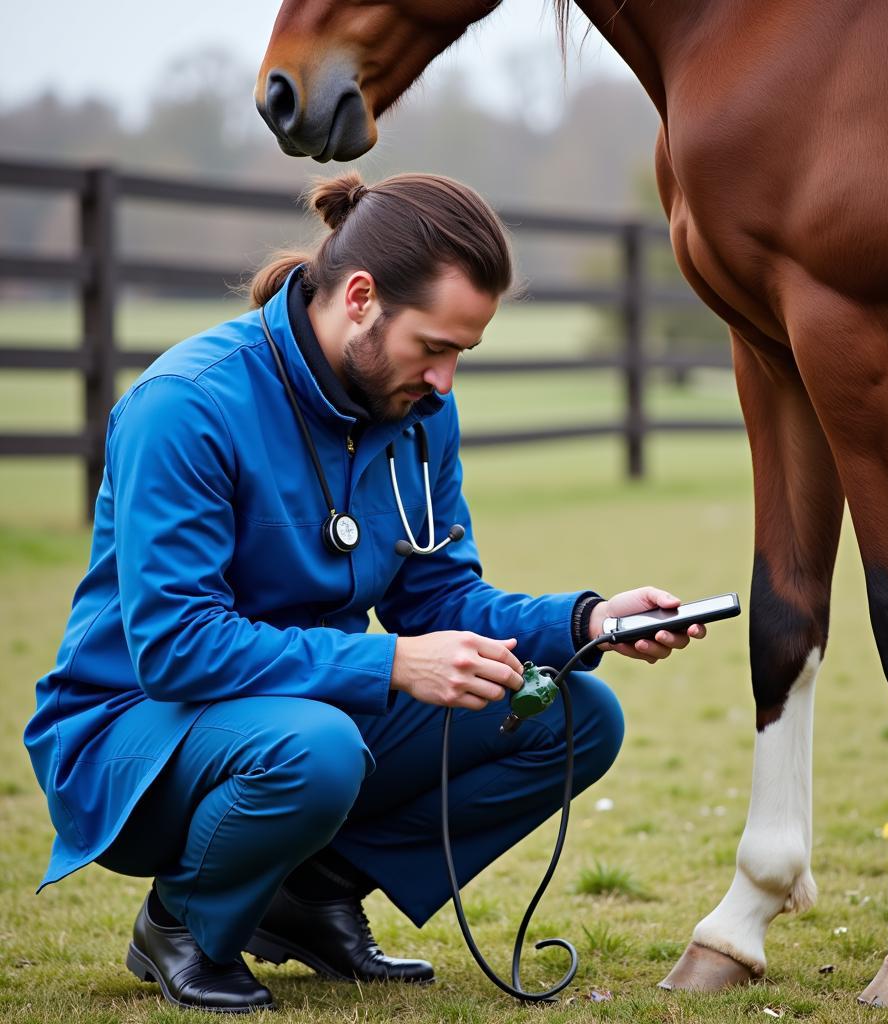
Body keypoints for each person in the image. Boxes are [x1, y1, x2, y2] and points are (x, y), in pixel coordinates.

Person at [24, 171, 707, 1014]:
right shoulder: (186, 406)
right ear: (359, 297)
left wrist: (586, 621)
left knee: (572, 714)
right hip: (132, 733)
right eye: (434, 346)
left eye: (464, 352)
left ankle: (309, 897)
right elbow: (176, 647)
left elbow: (440, 602)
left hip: (312, 717)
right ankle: (183, 926)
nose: (447, 380)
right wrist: (388, 663)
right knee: (316, 749)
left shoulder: (418, 412)